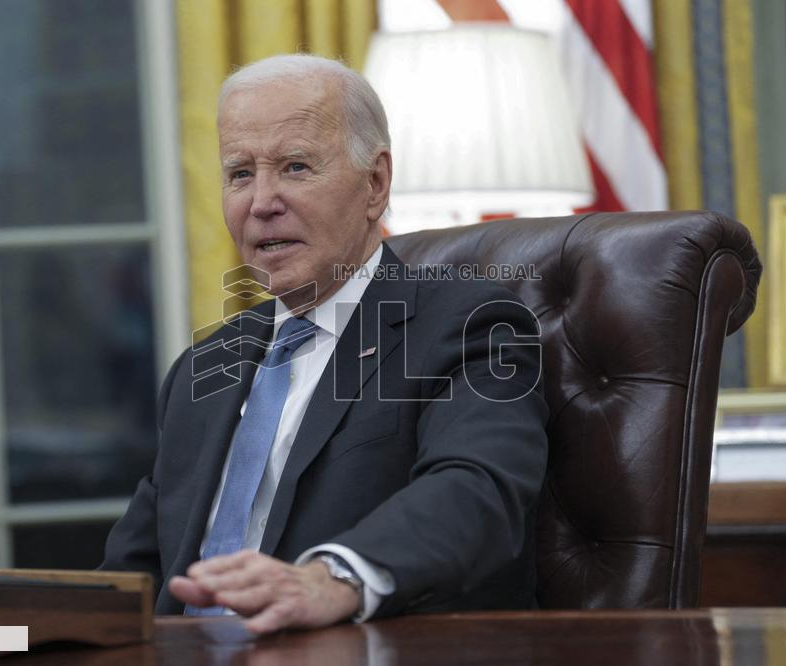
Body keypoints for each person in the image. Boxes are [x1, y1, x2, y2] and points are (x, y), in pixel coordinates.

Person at [101, 53, 549, 634]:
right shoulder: (203, 368)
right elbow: (125, 583)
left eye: (294, 167)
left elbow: (476, 492)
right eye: (240, 173)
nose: (261, 202)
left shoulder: (469, 325)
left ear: (375, 183)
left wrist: (331, 578)